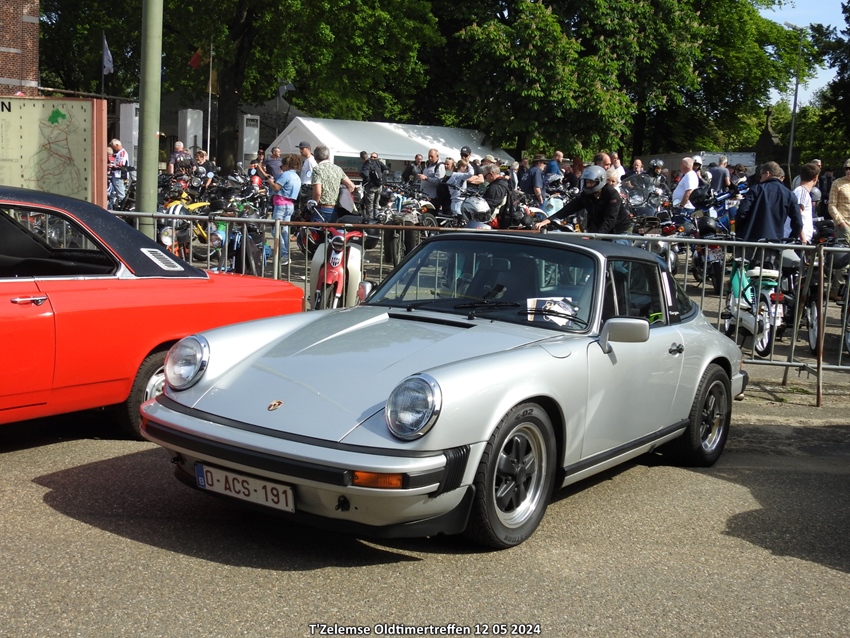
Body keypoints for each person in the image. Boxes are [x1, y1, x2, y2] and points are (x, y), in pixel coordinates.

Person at [535, 165, 631, 235]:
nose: (588, 185)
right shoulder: (587, 195)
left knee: (616, 253)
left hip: (619, 231)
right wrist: (548, 220)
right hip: (600, 230)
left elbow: (610, 220)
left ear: (600, 181)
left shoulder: (612, 194)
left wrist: (596, 237)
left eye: (591, 182)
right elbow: (569, 208)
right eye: (587, 182)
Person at [735, 161, 803, 245]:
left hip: (751, 240)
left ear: (767, 174)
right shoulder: (789, 195)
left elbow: (742, 212)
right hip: (775, 242)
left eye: (761, 175)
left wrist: (739, 232)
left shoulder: (755, 189)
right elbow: (798, 222)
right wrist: (791, 239)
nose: (760, 179)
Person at [266, 153, 302, 266]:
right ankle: (286, 255)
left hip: (280, 204)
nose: (281, 167)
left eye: (282, 165)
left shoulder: (285, 175)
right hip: (290, 204)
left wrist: (270, 182)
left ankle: (284, 254)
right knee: (285, 231)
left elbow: (276, 187)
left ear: (287, 165)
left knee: (275, 230)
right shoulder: (297, 176)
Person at [311, 145, 355, 223]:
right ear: (328, 156)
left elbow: (317, 193)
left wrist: (313, 205)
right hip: (335, 209)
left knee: (314, 229)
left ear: (315, 157)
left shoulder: (317, 169)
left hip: (321, 209)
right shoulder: (337, 168)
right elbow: (351, 186)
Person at [787, 162, 820, 244]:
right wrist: (802, 238)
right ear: (815, 178)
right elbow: (797, 214)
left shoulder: (799, 191)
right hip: (797, 240)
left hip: (797, 239)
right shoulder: (802, 192)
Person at [828, 159, 850, 244]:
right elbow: (831, 205)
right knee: (844, 251)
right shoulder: (837, 183)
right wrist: (841, 223)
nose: (848, 171)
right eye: (846, 168)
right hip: (844, 226)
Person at [360, 151, 386, 218]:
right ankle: (377, 218)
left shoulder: (367, 164)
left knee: (370, 205)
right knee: (376, 204)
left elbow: (365, 174)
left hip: (371, 187)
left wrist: (367, 179)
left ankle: (371, 220)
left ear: (362, 158)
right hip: (379, 185)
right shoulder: (378, 162)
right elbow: (386, 169)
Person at [108, 138, 129, 209]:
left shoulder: (122, 153)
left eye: (113, 147)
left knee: (121, 194)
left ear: (117, 145)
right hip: (116, 175)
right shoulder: (119, 153)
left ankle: (122, 209)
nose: (113, 149)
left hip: (119, 175)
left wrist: (112, 165)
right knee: (113, 194)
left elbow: (121, 164)